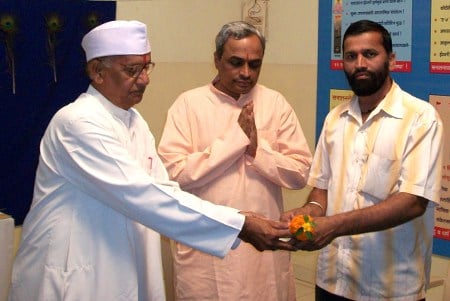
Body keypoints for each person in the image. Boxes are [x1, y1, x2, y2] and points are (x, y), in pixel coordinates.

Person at [7, 20, 296, 301]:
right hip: (74, 270)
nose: (144, 79)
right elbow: (145, 196)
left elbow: (164, 191)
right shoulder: (77, 123)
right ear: (97, 72)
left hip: (119, 261)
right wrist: (240, 224)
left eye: (146, 67)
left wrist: (238, 218)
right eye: (132, 70)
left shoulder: (134, 122)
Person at [282, 19, 443, 301]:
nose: (359, 64)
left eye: (370, 54)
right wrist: (307, 213)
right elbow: (321, 191)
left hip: (390, 288)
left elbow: (413, 202)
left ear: (391, 59)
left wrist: (333, 226)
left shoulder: (420, 118)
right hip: (333, 281)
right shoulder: (335, 119)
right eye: (350, 56)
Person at [158, 21, 312, 300]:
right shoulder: (188, 104)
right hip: (207, 250)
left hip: (263, 252)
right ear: (216, 60)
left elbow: (300, 172)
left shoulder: (275, 103)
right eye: (236, 62)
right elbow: (174, 173)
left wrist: (257, 150)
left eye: (255, 64)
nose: (246, 73)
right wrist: (233, 142)